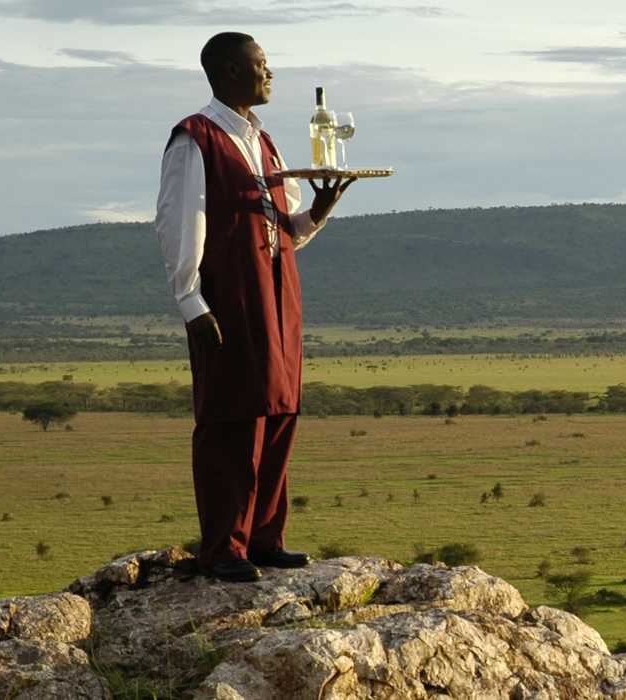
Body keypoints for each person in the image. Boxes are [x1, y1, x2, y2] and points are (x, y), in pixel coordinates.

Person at [155, 32, 356, 583]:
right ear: (226, 70)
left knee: (280, 408)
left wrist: (320, 211)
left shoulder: (264, 142)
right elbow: (179, 223)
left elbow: (286, 228)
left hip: (277, 289)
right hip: (230, 293)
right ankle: (223, 548)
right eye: (260, 65)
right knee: (231, 415)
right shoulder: (195, 138)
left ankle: (265, 538)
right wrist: (191, 300)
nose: (270, 74)